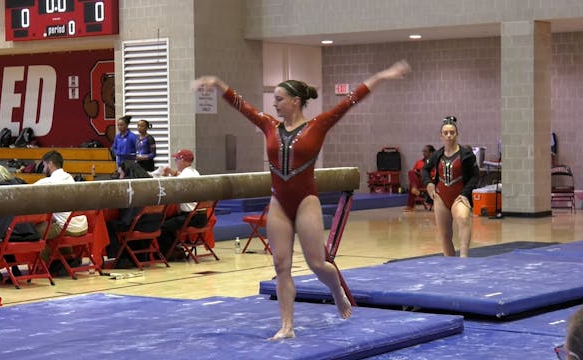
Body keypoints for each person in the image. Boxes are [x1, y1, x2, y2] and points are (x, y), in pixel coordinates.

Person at [192, 60, 410, 340]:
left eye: (279, 100)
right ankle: (287, 326)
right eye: (274, 101)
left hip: (306, 200)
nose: (275, 105)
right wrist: (217, 83)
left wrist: (383, 74)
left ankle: (336, 290)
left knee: (317, 264)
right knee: (281, 265)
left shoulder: (319, 125)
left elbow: (353, 99)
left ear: (295, 101)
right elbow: (241, 105)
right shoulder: (269, 125)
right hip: (279, 203)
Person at [422, 116, 479, 258]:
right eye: (446, 133)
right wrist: (428, 183)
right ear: (441, 136)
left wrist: (465, 193)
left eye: (452, 132)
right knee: (444, 234)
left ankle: (464, 257)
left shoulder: (466, 154)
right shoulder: (437, 155)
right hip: (441, 196)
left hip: (459, 195)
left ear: (457, 134)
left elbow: (475, 175)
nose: (449, 136)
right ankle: (449, 262)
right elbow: (425, 169)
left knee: (464, 219)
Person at [106, 160, 163, 267]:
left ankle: (120, 259)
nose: (120, 177)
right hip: (154, 223)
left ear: (127, 173)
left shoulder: (128, 184)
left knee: (109, 225)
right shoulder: (152, 182)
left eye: (120, 174)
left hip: (137, 224)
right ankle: (140, 256)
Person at [0, 165, 37, 283]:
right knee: (4, 234)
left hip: (11, 233)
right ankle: (15, 269)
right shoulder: (20, 184)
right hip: (30, 232)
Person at [158, 149, 206, 258]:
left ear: (183, 161)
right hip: (201, 216)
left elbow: (169, 188)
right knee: (169, 222)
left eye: (176, 160)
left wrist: (164, 175)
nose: (175, 162)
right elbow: (179, 176)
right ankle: (175, 250)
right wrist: (171, 172)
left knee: (162, 227)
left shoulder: (185, 176)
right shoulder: (194, 172)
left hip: (192, 218)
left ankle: (168, 254)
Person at [34, 150, 88, 240]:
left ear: (50, 164)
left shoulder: (49, 182)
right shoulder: (70, 178)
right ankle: (67, 254)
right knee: (53, 224)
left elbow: (24, 192)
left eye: (44, 166)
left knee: (34, 233)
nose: (43, 169)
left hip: (67, 227)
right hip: (82, 225)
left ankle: (48, 254)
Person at [403, 144, 435, 212]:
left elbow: (436, 173)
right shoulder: (419, 162)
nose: (423, 153)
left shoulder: (434, 162)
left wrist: (424, 174)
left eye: (425, 151)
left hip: (429, 181)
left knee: (412, 185)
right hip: (419, 181)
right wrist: (418, 173)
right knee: (411, 172)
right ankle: (415, 188)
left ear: (431, 152)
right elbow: (413, 173)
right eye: (423, 151)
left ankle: (410, 206)